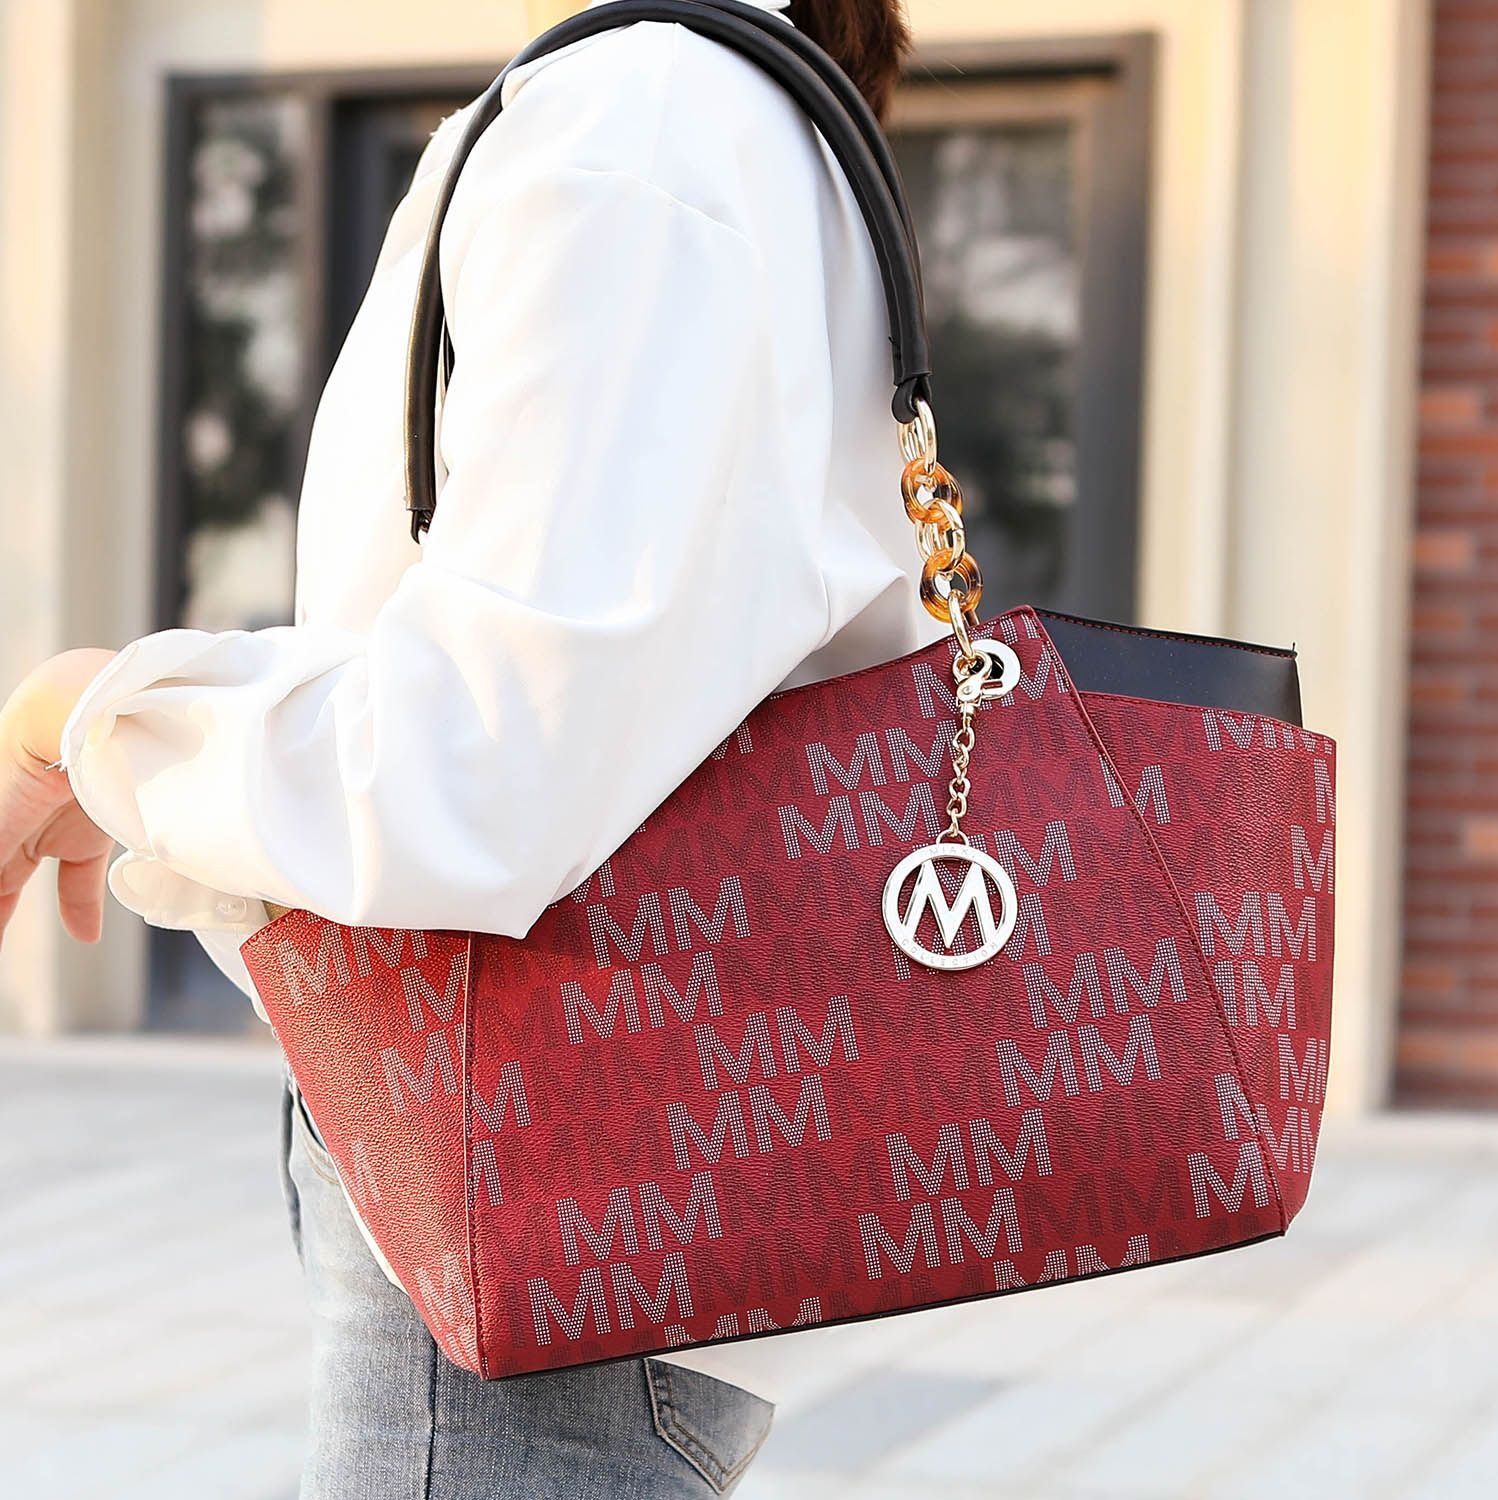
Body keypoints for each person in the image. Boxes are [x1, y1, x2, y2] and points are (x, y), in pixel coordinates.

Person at [0, 0, 943, 1494]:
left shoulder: (638, 114)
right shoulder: (705, 107)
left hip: (533, 1219)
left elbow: (475, 766)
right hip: (573, 1206)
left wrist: (94, 716)